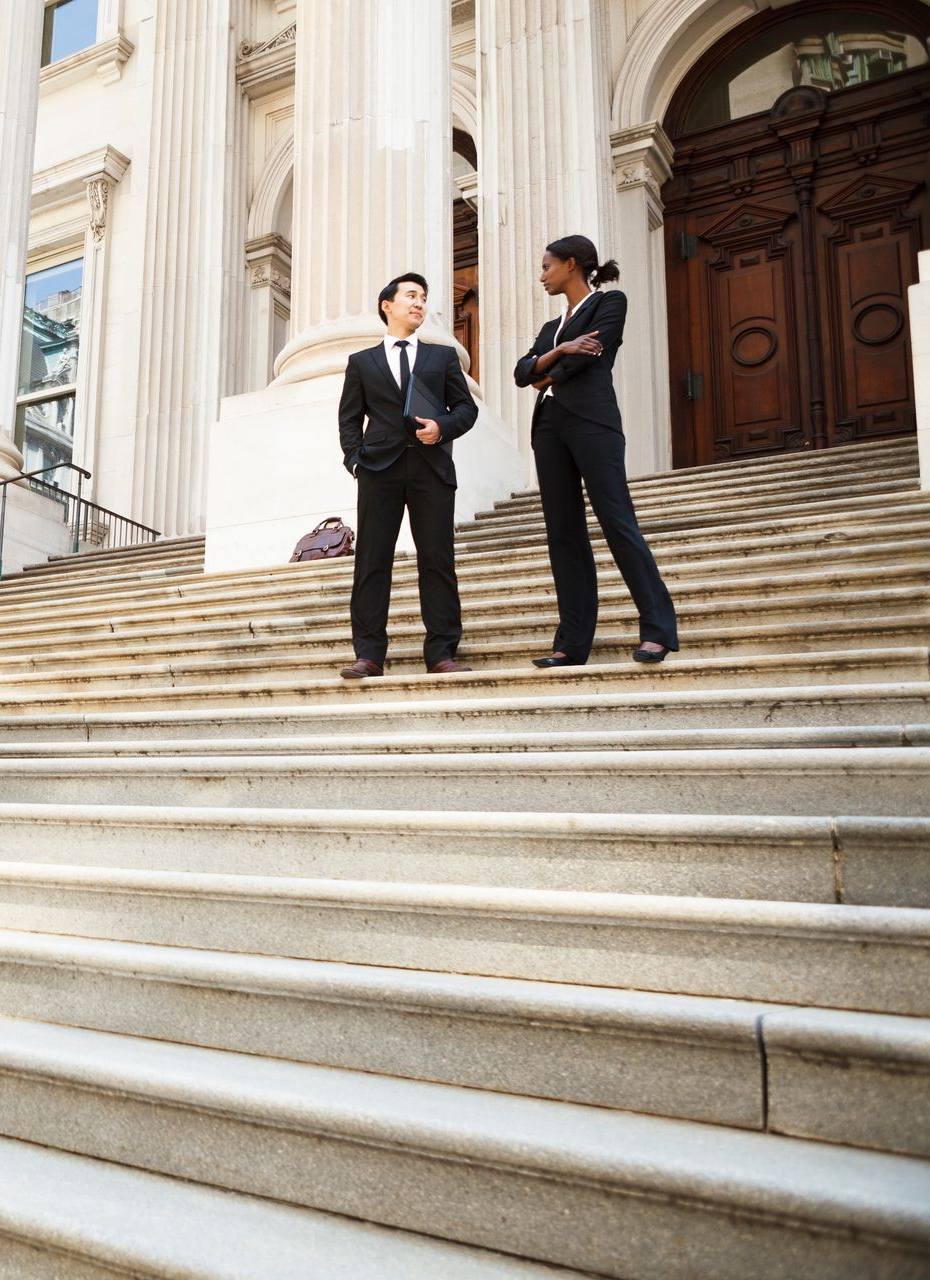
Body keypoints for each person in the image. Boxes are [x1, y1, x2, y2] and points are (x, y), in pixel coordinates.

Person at [513, 234, 679, 667]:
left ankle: (658, 629)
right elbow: (520, 373)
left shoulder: (610, 303)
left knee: (617, 520)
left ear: (571, 264)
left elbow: (587, 358)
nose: (542, 275)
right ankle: (571, 643)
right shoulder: (553, 328)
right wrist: (563, 348)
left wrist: (547, 367)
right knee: (563, 534)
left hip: (592, 423)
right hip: (548, 428)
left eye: (547, 266)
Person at [338, 272, 478, 678]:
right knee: (371, 561)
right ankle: (368, 654)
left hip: (431, 468)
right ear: (388, 305)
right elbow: (349, 419)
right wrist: (355, 461)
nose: (419, 303)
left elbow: (465, 409)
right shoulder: (361, 362)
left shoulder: (442, 357)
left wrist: (443, 428)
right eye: (411, 296)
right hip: (378, 470)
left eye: (423, 298)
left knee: (437, 559)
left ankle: (441, 653)